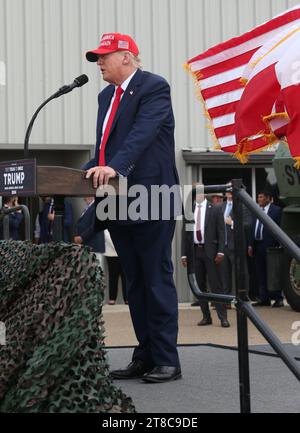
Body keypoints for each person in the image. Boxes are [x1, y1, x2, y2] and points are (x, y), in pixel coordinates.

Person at [84, 33, 181, 383]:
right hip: (117, 199)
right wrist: (89, 171)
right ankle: (145, 355)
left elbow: (141, 134)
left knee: (156, 280)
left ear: (126, 56)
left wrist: (115, 167)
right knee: (135, 284)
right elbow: (107, 146)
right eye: (97, 56)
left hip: (152, 196)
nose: (99, 62)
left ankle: (167, 359)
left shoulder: (154, 87)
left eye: (104, 56)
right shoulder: (105, 95)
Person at [181, 188, 230, 328]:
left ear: (205, 194)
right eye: (196, 193)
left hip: (212, 252)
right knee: (200, 286)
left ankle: (223, 318)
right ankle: (206, 316)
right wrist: (184, 254)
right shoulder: (190, 210)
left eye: (201, 193)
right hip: (196, 252)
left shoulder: (214, 209)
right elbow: (186, 234)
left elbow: (222, 231)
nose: (198, 195)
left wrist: (221, 251)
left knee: (216, 286)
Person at [248, 191, 284, 307]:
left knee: (273, 273)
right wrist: (250, 245)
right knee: (260, 272)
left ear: (268, 198)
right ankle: (264, 298)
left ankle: (278, 298)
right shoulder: (256, 210)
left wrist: (279, 245)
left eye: (261, 197)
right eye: (258, 197)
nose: (259, 199)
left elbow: (280, 228)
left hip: (271, 246)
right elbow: (252, 228)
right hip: (258, 245)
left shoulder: (276, 210)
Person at [74, 197, 105, 265]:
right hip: (88, 247)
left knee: (95, 272)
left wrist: (82, 237)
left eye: (85, 197)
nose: (83, 198)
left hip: (94, 247)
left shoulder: (97, 206)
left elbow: (95, 226)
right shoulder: (89, 207)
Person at [103, 229, 127, 305]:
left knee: (125, 276)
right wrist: (120, 247)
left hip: (124, 252)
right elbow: (106, 234)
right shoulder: (108, 220)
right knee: (113, 276)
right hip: (111, 253)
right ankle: (112, 298)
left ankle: (127, 298)